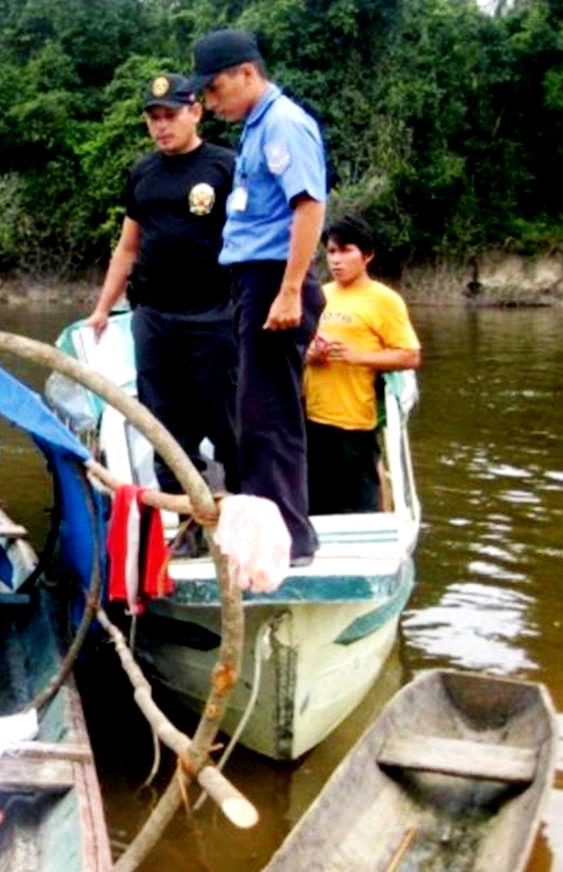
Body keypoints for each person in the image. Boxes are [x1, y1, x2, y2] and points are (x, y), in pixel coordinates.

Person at [190, 29, 328, 565]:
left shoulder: (283, 125)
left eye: (217, 87)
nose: (210, 100)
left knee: (268, 419)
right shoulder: (255, 127)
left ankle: (288, 542)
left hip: (275, 282)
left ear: (248, 73)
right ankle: (289, 535)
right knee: (261, 415)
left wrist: (291, 290)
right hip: (258, 282)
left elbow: (309, 206)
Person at [87, 73, 239, 510]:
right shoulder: (143, 173)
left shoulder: (225, 167)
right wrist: (102, 309)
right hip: (154, 316)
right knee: (164, 423)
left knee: (226, 418)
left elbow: (252, 240)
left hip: (214, 314)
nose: (161, 126)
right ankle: (186, 513)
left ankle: (242, 512)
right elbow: (127, 247)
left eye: (170, 115)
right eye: (153, 118)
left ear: (196, 112)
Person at [305, 215, 422, 514]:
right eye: (331, 252)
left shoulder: (385, 300)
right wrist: (311, 355)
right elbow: (299, 349)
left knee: (359, 508)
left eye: (346, 251)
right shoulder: (319, 295)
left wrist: (360, 356)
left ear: (367, 255)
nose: (336, 260)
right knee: (315, 507)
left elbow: (410, 355)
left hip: (354, 420)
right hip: (309, 417)